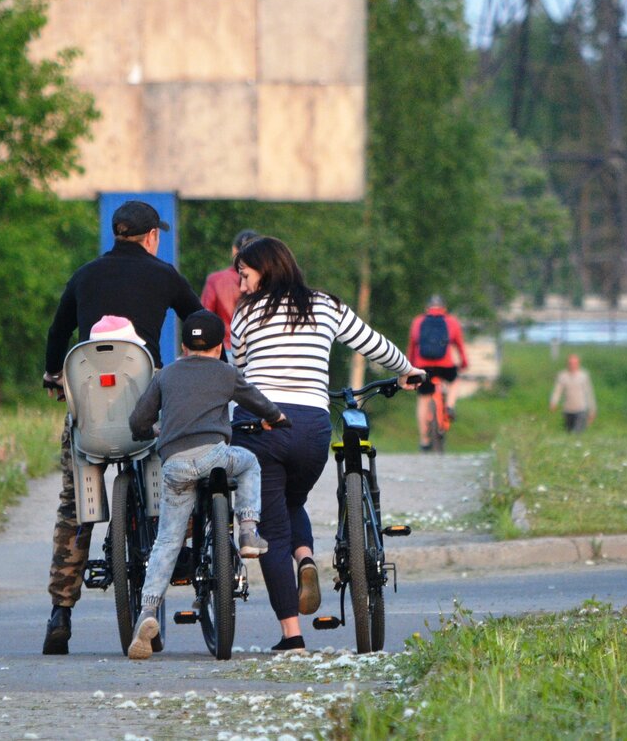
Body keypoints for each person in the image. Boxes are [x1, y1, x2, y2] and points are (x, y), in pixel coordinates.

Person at [229, 237, 424, 652]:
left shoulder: (246, 313)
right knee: (293, 500)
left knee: (270, 529)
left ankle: (292, 637)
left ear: (263, 270)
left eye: (244, 275)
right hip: (313, 428)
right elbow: (371, 343)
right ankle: (305, 559)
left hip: (262, 425)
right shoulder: (326, 305)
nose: (241, 285)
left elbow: (237, 373)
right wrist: (407, 370)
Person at [40, 199, 204, 655]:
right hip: (147, 416)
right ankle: (174, 563)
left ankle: (61, 612)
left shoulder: (84, 275)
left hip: (90, 419)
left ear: (116, 234)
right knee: (177, 481)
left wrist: (54, 375)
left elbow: (57, 335)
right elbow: (200, 324)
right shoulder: (165, 275)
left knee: (73, 509)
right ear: (152, 237)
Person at [124, 310, 289, 660]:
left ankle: (147, 613)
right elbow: (257, 401)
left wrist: (148, 432)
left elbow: (139, 420)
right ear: (219, 348)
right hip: (216, 456)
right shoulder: (227, 373)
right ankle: (247, 531)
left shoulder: (166, 375)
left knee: (167, 541)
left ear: (184, 346)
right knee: (249, 463)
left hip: (175, 466)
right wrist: (276, 417)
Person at [406, 295, 469, 451]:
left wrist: (408, 368)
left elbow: (412, 347)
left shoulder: (418, 322)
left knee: (423, 399)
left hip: (422, 366)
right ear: (444, 308)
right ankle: (449, 406)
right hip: (445, 365)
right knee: (454, 382)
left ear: (427, 308)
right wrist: (464, 362)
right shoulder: (452, 322)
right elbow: (459, 345)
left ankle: (424, 440)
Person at [200, 229, 260, 358]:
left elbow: (204, 318)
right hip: (255, 349)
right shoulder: (266, 281)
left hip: (224, 351)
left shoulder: (215, 280)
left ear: (234, 250)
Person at [549, 353, 596, 433]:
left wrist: (592, 410)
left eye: (575, 363)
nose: (572, 365)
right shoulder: (562, 376)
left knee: (577, 433)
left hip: (581, 410)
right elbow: (557, 391)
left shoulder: (584, 376)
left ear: (578, 364)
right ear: (567, 364)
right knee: (569, 433)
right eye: (570, 363)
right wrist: (553, 402)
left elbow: (589, 393)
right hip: (567, 410)